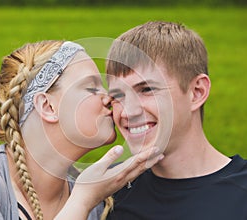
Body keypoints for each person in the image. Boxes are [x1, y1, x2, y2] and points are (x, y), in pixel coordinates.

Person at [0, 40, 164, 220]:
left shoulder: (97, 204)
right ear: (47, 106)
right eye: (91, 88)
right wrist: (82, 200)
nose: (108, 98)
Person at [104, 21, 247, 219]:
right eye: (118, 96)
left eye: (146, 90)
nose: (128, 112)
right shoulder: (108, 190)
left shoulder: (241, 196)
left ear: (197, 92)